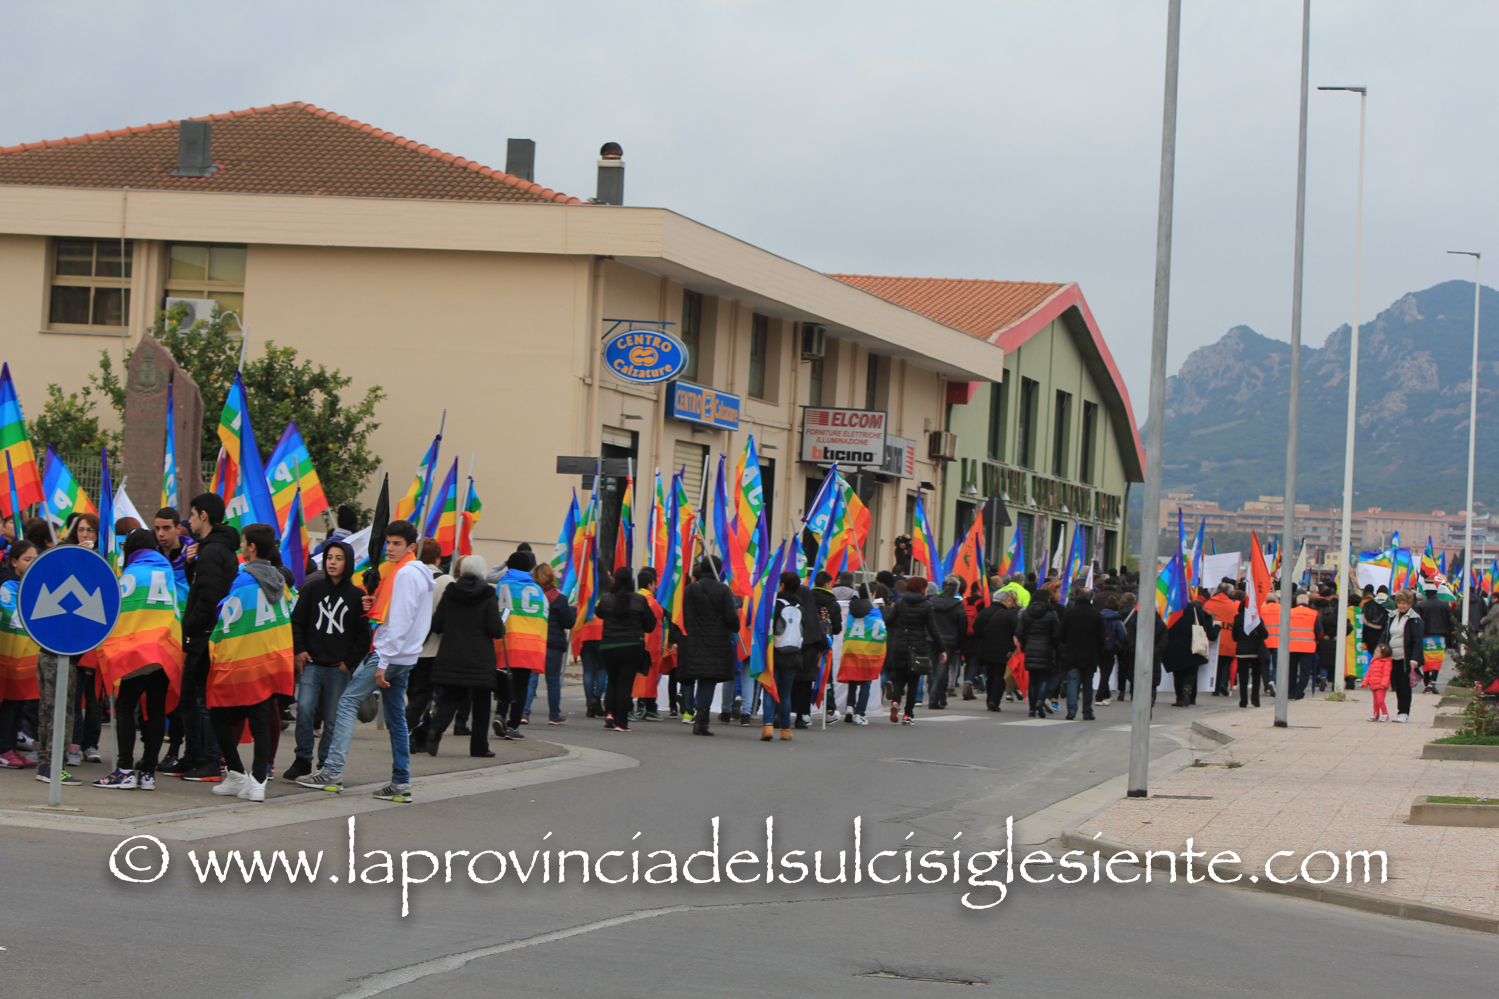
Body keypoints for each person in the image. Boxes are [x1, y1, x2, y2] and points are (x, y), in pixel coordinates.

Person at [298, 519, 434, 800]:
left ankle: (332, 772)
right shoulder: (416, 573)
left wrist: (382, 661)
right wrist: (377, 606)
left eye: (397, 544)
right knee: (396, 719)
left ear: (411, 546)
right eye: (388, 542)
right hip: (405, 656)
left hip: (390, 655)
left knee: (347, 703)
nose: (390, 548)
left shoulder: (405, 574)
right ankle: (400, 782)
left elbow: (401, 621)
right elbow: (403, 615)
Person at [205, 523, 295, 802]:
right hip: (270, 661)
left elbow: (227, 620)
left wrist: (214, 649)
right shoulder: (281, 583)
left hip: (242, 662)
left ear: (252, 547)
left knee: (219, 716)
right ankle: (256, 782)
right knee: (260, 722)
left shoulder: (244, 581)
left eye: (244, 542)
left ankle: (237, 774)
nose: (241, 547)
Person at [90, 529, 183, 790]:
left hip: (137, 651)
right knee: (155, 710)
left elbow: (117, 611)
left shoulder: (131, 574)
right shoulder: (166, 572)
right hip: (163, 650)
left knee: (125, 707)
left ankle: (125, 770)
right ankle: (149, 774)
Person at [162, 494, 239, 782]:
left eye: (193, 515)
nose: (190, 520)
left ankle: (210, 760)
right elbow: (201, 586)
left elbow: (209, 599)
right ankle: (193, 755)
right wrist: (191, 565)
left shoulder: (212, 551)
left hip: (206, 637)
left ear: (203, 516)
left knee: (203, 702)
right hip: (203, 635)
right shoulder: (208, 550)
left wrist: (185, 629)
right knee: (189, 701)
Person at [284, 538, 369, 781]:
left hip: (338, 669)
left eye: (339, 558)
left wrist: (349, 662)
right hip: (312, 663)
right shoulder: (312, 589)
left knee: (332, 719)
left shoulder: (357, 596)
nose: (333, 562)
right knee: (304, 710)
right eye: (329, 557)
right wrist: (300, 650)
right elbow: (297, 622)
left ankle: (325, 764)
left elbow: (363, 636)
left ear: (348, 562)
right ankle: (302, 759)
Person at [426, 555, 507, 757]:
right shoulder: (488, 594)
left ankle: (435, 730)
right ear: (482, 573)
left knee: (450, 698)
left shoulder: (450, 591)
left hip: (451, 654)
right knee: (482, 703)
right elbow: (495, 629)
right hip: (480, 658)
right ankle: (479, 747)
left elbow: (437, 624)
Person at [676, 558, 740, 736]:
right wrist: (735, 627)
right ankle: (701, 721)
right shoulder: (723, 590)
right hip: (715, 642)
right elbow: (731, 617)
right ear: (718, 570)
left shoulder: (689, 589)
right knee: (708, 680)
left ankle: (690, 710)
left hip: (692, 640)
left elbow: (683, 614)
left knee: (692, 676)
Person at [595, 566, 656, 732]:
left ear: (615, 580)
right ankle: (621, 721)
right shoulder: (639, 600)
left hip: (608, 645)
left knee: (612, 680)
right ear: (631, 581)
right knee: (625, 683)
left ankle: (610, 713)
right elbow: (650, 625)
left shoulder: (606, 598)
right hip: (632, 646)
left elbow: (599, 613)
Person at [494, 551, 549, 736]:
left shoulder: (502, 586)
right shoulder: (537, 590)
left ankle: (500, 715)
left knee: (504, 679)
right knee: (522, 684)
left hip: (506, 641)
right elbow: (543, 618)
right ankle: (513, 725)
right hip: (529, 643)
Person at [403, 539, 450, 748]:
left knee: (413, 692)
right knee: (424, 695)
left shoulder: (408, 575)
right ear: (438, 558)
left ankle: (416, 734)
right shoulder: (446, 581)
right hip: (433, 648)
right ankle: (410, 729)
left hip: (407, 646)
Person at [883, 576, 944, 725]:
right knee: (913, 682)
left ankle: (895, 703)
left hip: (899, 645)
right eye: (925, 586)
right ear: (921, 588)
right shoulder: (927, 606)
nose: (927, 589)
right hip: (918, 647)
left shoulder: (900, 603)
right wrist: (942, 649)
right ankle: (908, 715)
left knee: (899, 678)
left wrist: (887, 610)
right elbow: (933, 630)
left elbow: (888, 621)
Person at [0, 541, 39, 771]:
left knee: (18, 702)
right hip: (9, 655)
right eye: (27, 559)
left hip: (24, 655)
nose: (32, 563)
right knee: (9, 703)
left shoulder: (29, 585)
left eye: (35, 559)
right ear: (14, 562)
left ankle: (11, 748)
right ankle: (4, 750)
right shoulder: (8, 586)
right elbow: (13, 618)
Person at [530, 562, 576, 725]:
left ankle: (524, 712)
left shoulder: (532, 596)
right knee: (553, 680)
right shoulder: (560, 598)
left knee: (531, 679)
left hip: (536, 642)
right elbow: (568, 623)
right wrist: (572, 609)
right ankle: (554, 714)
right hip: (554, 644)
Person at [836, 584, 885, 724]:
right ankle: (860, 713)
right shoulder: (875, 612)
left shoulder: (851, 611)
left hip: (851, 650)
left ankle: (849, 707)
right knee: (866, 682)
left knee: (852, 679)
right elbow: (882, 632)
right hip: (867, 651)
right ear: (871, 594)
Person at [796, 570, 840, 727]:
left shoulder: (805, 599)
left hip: (803, 646)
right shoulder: (832, 603)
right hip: (822, 647)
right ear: (827, 584)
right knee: (825, 678)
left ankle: (803, 714)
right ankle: (828, 711)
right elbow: (837, 628)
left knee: (802, 681)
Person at [765, 571, 805, 740]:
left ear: (781, 585)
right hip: (793, 654)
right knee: (785, 693)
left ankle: (768, 727)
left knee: (769, 690)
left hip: (773, 653)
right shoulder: (800, 607)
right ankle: (786, 729)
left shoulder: (775, 604)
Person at [1058, 588, 1106, 720]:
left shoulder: (1069, 613)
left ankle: (1071, 710)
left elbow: (1061, 634)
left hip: (1072, 652)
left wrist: (1068, 644)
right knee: (1087, 684)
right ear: (1091, 598)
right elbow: (1101, 637)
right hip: (1090, 654)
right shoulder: (1096, 615)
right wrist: (1099, 652)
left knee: (1072, 682)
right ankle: (1087, 711)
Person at [1164, 592, 1218, 707]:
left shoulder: (1171, 612)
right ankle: (1188, 688)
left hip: (1174, 647)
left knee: (1178, 673)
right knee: (1191, 671)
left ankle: (1179, 698)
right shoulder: (1195, 611)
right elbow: (1203, 629)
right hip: (1192, 645)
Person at [1378, 589, 1424, 723]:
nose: (1401, 606)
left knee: (1404, 685)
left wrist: (1415, 659)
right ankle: (1397, 711)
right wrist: (1380, 649)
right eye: (1399, 603)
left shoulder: (1415, 619)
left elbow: (1417, 641)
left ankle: (1404, 712)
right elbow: (1386, 634)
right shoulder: (1392, 616)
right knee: (1396, 684)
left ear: (1410, 604)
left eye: (1404, 603)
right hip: (1391, 657)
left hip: (1406, 658)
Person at [1016, 587, 1061, 717]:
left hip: (1030, 647)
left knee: (1033, 679)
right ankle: (1040, 701)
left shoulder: (1026, 613)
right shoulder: (1051, 613)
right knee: (1045, 677)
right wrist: (1054, 645)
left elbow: (1019, 632)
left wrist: (1025, 644)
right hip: (1047, 647)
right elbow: (1056, 633)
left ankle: (1032, 708)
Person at [972, 589, 1019, 712]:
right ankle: (994, 701)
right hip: (1003, 651)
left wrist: (983, 637)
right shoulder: (1009, 615)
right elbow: (1017, 632)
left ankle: (989, 700)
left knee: (990, 675)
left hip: (986, 649)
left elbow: (975, 628)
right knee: (999, 676)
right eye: (1008, 601)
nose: (1010, 603)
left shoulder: (984, 612)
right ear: (1003, 601)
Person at [927, 574, 968, 710]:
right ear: (956, 590)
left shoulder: (932, 601)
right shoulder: (958, 605)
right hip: (949, 641)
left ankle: (941, 697)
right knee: (942, 670)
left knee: (935, 670)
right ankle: (934, 698)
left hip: (932, 639)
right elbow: (963, 625)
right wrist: (960, 644)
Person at [1201, 583, 1239, 696]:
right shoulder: (1232, 605)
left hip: (1213, 639)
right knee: (1226, 663)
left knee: (1215, 665)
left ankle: (1215, 688)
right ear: (1229, 592)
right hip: (1228, 639)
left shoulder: (1209, 603)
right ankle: (1223, 683)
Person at [1233, 593, 1268, 708]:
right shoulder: (1256, 619)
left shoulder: (1237, 618)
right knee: (1256, 675)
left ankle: (1243, 701)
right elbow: (1265, 635)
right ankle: (1255, 700)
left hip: (1241, 652)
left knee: (1243, 676)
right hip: (1255, 651)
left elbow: (1234, 637)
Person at [1286, 592, 1324, 700]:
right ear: (1308, 602)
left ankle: (1290, 691)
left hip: (1291, 645)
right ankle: (1299, 692)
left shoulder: (1290, 612)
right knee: (1305, 671)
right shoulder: (1313, 613)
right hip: (1308, 647)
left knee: (1292, 670)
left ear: (1297, 602)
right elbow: (1320, 631)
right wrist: (1317, 640)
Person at [1415, 584, 1451, 694]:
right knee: (1437, 660)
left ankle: (1427, 682)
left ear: (1426, 593)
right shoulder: (1444, 604)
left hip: (1425, 636)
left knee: (1426, 659)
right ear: (1436, 592)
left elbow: (1417, 621)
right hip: (1440, 636)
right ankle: (1432, 681)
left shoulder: (1421, 605)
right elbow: (1450, 620)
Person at [1093, 591, 1127, 705]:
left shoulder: (1098, 617)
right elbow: (1123, 635)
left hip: (1099, 647)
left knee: (1103, 672)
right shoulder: (1116, 620)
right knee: (1106, 673)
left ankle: (1106, 695)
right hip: (1110, 648)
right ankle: (1099, 696)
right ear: (1117, 607)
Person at [1362, 643, 1393, 722]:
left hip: (1381, 685)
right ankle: (1376, 714)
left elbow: (1386, 674)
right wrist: (1365, 682)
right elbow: (1369, 672)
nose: (1375, 652)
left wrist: (1384, 684)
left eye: (1378, 651)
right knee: (1375, 702)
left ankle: (1385, 714)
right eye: (1376, 650)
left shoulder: (1386, 662)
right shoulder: (1374, 661)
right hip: (1374, 684)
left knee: (1380, 701)